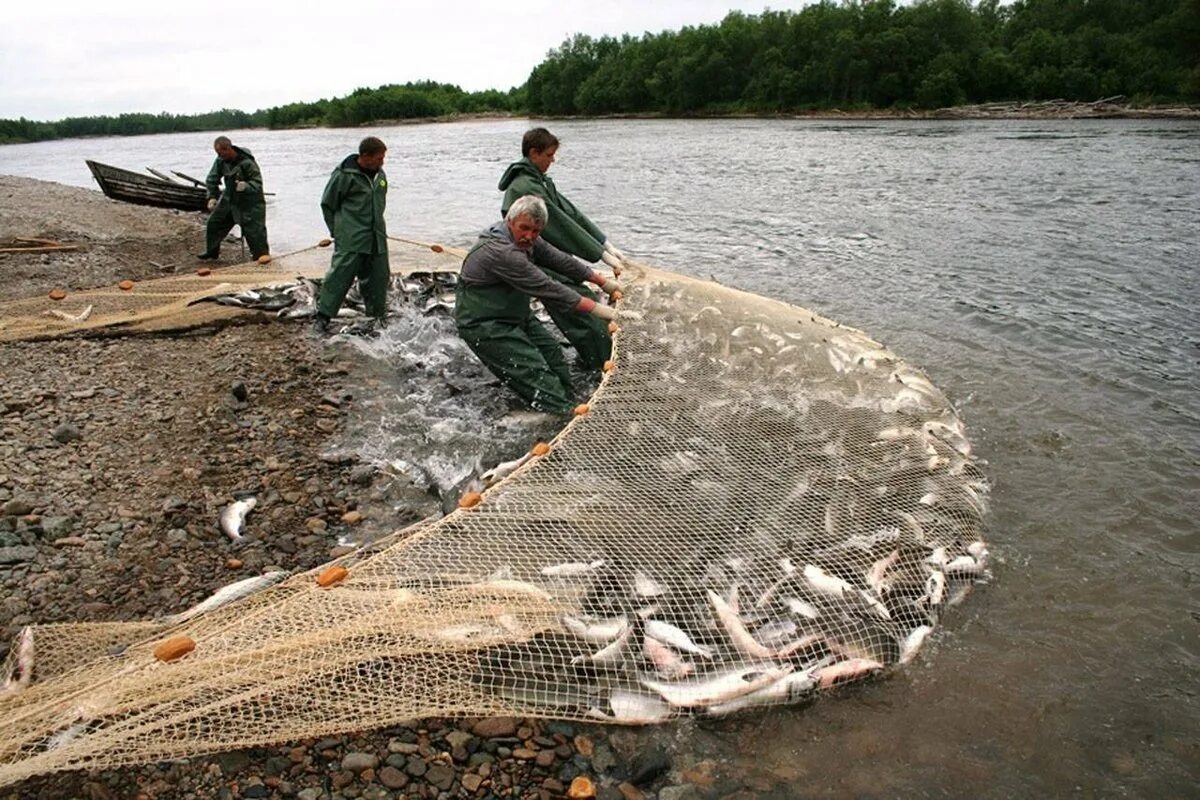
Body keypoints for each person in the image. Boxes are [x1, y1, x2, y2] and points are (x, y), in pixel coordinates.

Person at [455, 195, 622, 415]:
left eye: (535, 231)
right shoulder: (501, 252)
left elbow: (560, 260)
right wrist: (602, 310)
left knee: (553, 354)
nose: (529, 236)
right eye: (523, 229)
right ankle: (564, 412)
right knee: (532, 369)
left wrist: (604, 282)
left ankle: (567, 399)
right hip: (483, 322)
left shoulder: (531, 238)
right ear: (510, 222)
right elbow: (549, 288)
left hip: (514, 313)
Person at [497, 128, 629, 370]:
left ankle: (597, 356)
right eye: (549, 155)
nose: (552, 160)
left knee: (582, 300)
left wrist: (603, 242)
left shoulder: (539, 180)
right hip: (531, 259)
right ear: (533, 153)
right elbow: (559, 223)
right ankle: (604, 362)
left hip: (546, 254)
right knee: (577, 307)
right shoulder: (525, 186)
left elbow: (570, 212)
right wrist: (600, 255)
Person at [313, 136, 390, 335]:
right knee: (339, 277)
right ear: (365, 156)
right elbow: (328, 204)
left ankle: (377, 317)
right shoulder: (344, 175)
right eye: (379, 158)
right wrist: (337, 232)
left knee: (378, 278)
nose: (382, 162)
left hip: (377, 237)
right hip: (351, 237)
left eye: (383, 158)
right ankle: (323, 317)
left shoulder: (380, 175)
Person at [198, 136, 269, 260]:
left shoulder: (247, 162)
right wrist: (212, 197)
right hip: (229, 199)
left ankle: (261, 256)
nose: (219, 156)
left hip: (250, 203)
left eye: (221, 153)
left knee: (255, 233)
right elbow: (211, 179)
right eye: (217, 153)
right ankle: (212, 252)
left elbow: (257, 183)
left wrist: (246, 185)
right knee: (214, 223)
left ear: (228, 149)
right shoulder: (220, 161)